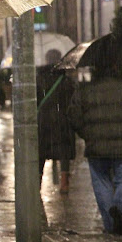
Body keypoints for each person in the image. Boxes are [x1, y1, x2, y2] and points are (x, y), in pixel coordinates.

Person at [67, 65, 122, 236]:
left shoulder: (85, 90)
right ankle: (119, 207)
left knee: (101, 182)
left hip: (96, 144)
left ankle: (111, 225)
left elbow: (73, 115)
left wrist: (87, 134)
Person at [36, 64, 75, 193]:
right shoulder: (66, 82)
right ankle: (64, 182)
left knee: (40, 153)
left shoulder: (38, 81)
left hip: (43, 121)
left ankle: (37, 184)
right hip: (62, 121)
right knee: (64, 150)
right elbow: (72, 102)